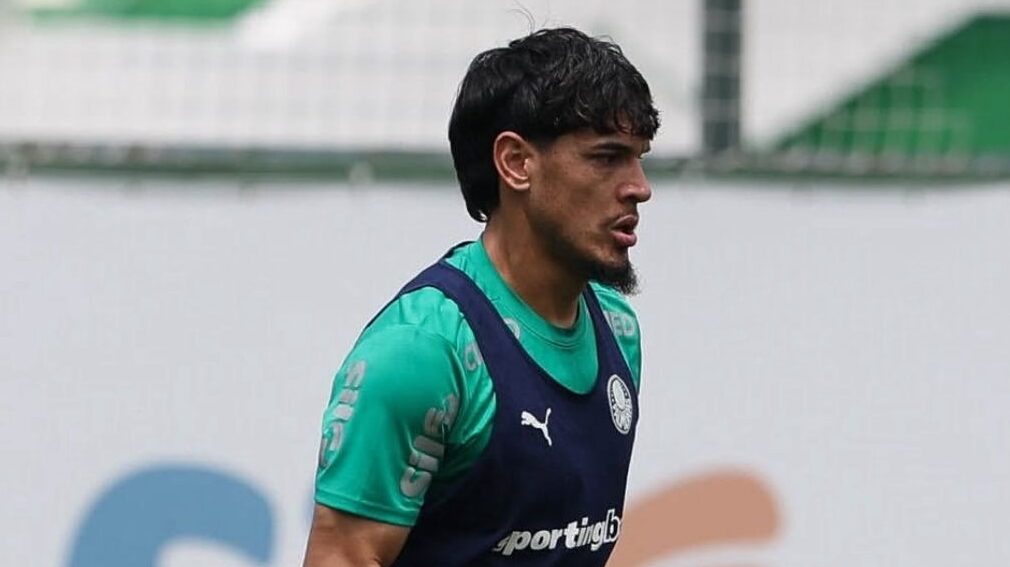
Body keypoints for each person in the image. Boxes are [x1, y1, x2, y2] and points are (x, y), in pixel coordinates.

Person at [303, 26, 660, 567]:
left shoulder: (618, 329)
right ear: (517, 163)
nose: (639, 185)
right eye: (607, 157)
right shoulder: (422, 350)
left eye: (639, 157)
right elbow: (343, 557)